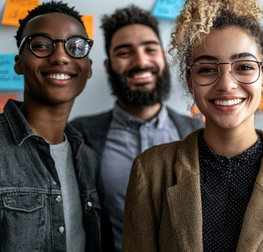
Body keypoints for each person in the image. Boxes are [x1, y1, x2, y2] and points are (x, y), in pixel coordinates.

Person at [122, 0, 263, 251]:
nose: (226, 84)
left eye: (243, 67)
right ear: (190, 81)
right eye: (208, 69)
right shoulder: (151, 171)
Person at [70, 5, 203, 251]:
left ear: (163, 57)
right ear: (109, 66)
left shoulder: (198, 133)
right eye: (124, 52)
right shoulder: (79, 137)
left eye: (149, 49)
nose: (141, 61)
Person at [0, 1, 101, 251]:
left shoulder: (88, 159)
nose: (59, 57)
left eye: (76, 47)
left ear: (88, 68)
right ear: (19, 63)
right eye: (42, 45)